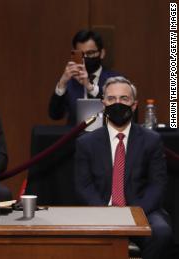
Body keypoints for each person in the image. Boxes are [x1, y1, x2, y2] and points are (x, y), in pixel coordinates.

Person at [74, 76, 172, 259]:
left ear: (134, 105)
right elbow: (83, 186)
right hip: (101, 209)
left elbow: (157, 185)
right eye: (111, 99)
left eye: (124, 99)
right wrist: (105, 212)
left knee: (161, 232)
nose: (117, 103)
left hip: (142, 210)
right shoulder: (86, 143)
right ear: (103, 104)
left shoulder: (151, 140)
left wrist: (133, 214)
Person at [48, 30, 120, 125]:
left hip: (105, 137)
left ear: (102, 53)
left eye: (90, 53)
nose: (85, 58)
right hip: (75, 138)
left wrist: (90, 87)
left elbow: (117, 114)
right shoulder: (70, 82)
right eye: (81, 54)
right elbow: (55, 115)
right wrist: (62, 84)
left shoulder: (116, 80)